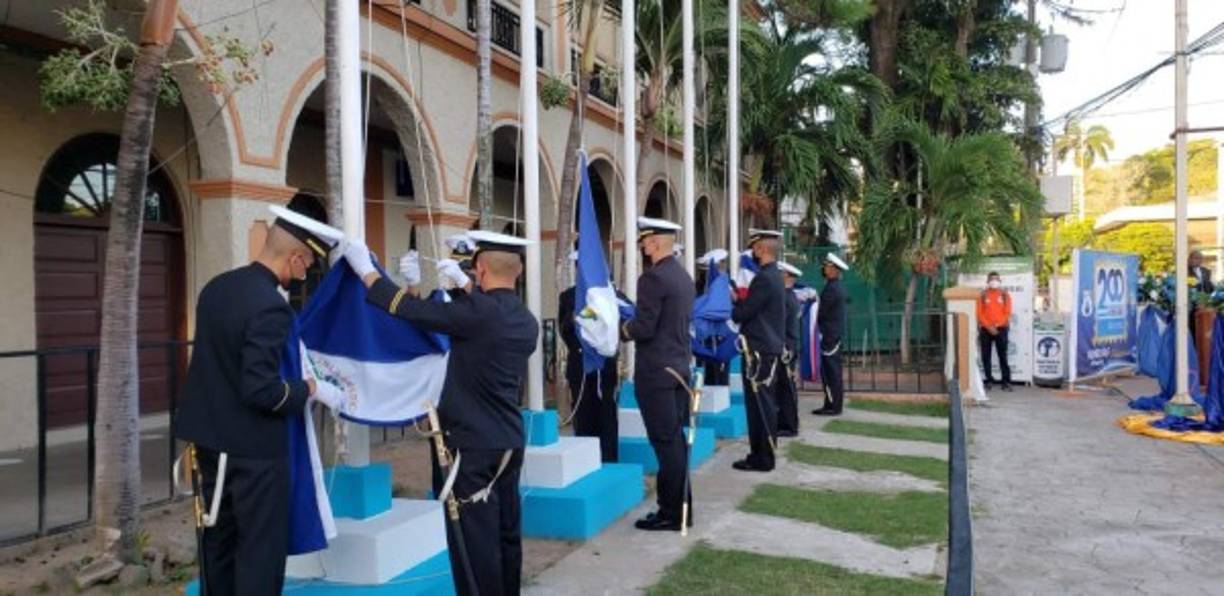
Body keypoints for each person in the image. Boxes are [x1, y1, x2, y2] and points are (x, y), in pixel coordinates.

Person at [346, 230, 537, 596]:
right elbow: (486, 310)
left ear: (480, 268)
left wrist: (367, 272)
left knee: (473, 545)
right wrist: (466, 283)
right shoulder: (524, 320)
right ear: (520, 270)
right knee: (506, 535)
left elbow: (410, 311)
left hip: (472, 448)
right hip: (509, 441)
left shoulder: (476, 313)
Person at [175, 205, 347, 596]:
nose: (304, 274)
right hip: (254, 453)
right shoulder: (272, 307)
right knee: (259, 555)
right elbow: (262, 391)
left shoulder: (217, 287)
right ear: (295, 257)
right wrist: (310, 389)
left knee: (217, 547)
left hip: (208, 443)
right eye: (307, 265)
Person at [620, 216, 696, 531]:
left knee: (667, 445)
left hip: (657, 373)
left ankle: (672, 512)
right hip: (678, 369)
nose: (642, 246)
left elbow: (645, 327)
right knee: (675, 443)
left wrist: (621, 329)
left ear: (654, 242)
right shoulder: (682, 276)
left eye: (644, 241)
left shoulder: (652, 279)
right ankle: (680, 508)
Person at [559, 243, 624, 463]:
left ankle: (609, 459)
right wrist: (580, 314)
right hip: (580, 363)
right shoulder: (567, 297)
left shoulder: (610, 293)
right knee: (583, 416)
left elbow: (624, 321)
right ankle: (586, 462)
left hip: (605, 366)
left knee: (606, 415)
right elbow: (565, 331)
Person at [731, 229, 786, 472]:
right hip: (765, 348)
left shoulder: (764, 278)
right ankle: (760, 454)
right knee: (760, 403)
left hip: (760, 350)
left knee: (760, 405)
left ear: (762, 249)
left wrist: (735, 301)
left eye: (754, 248)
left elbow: (745, 313)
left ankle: (763, 458)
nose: (752, 252)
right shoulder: (774, 275)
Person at [813, 253, 849, 416]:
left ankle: (833, 406)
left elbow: (821, 313)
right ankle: (831, 404)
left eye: (827, 266)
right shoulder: (834, 286)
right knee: (831, 373)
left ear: (834, 270)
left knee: (831, 373)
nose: (824, 269)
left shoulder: (832, 289)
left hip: (829, 336)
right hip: (832, 335)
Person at [776, 261, 803, 437]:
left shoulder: (785, 297)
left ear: (786, 276)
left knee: (786, 388)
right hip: (790, 344)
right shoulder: (790, 296)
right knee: (786, 387)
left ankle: (789, 425)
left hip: (786, 346)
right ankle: (788, 422)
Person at [697, 248, 731, 386]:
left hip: (714, 336)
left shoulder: (721, 284)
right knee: (714, 375)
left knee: (714, 374)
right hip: (712, 336)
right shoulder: (712, 286)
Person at [976, 271, 1013, 392]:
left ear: (1000, 281)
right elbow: (979, 313)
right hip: (985, 329)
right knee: (986, 356)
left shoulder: (1005, 295)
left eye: (996, 279)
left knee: (1003, 356)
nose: (994, 281)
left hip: (1001, 329)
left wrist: (996, 326)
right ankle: (988, 380)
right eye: (991, 279)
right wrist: (988, 326)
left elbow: (1007, 313)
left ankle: (1006, 381)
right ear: (987, 281)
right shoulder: (982, 295)